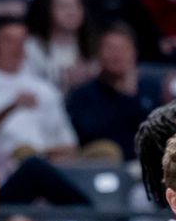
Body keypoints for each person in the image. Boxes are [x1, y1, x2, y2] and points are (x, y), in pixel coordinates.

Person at [0, 16, 78, 173]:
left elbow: (67, 141)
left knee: (105, 150)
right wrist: (12, 106)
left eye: (22, 41)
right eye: (9, 40)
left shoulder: (45, 88)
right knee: (26, 154)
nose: (17, 47)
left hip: (47, 161)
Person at [66, 24, 164, 161]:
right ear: (98, 54)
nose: (117, 55)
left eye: (123, 49)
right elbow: (96, 135)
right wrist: (126, 96)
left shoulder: (151, 89)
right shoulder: (83, 95)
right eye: (110, 48)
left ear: (134, 53)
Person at [24, 0, 97, 93]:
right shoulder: (30, 49)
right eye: (63, 6)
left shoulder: (95, 47)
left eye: (76, 5)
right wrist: (65, 82)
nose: (72, 12)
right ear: (47, 9)